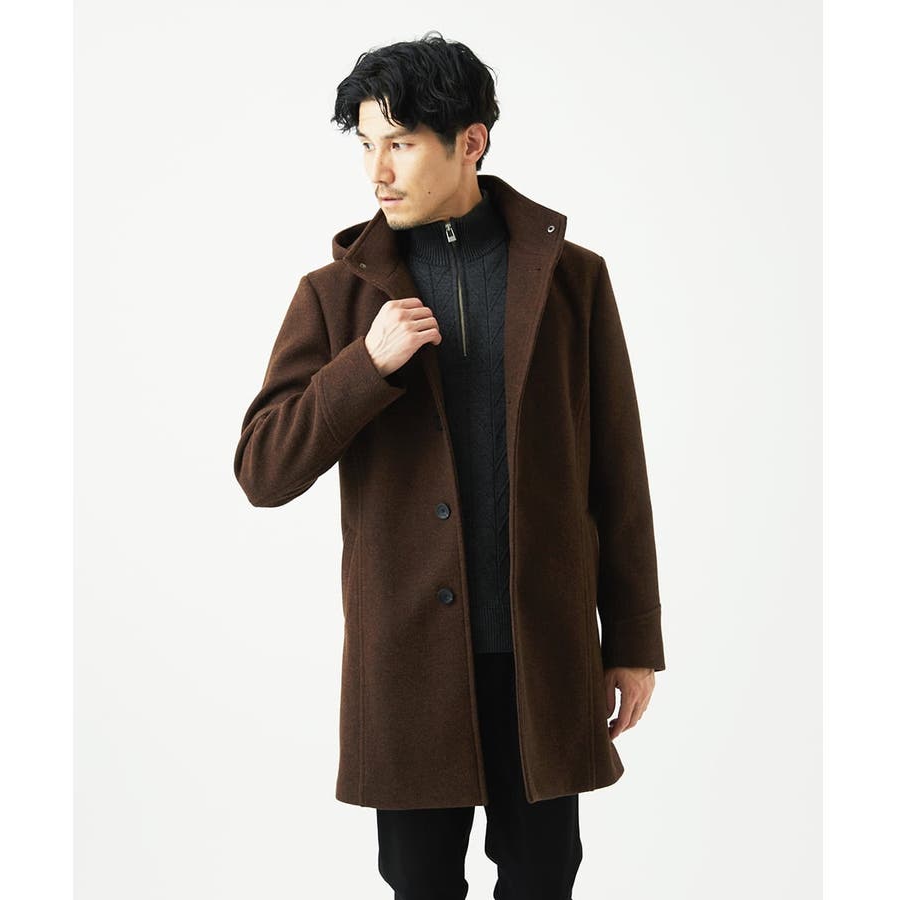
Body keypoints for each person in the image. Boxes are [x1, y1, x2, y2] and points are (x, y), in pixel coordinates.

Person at [234, 30, 666, 900]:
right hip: (409, 662)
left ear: (471, 141)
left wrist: (632, 642)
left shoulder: (573, 280)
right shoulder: (336, 295)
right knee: (420, 881)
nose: (377, 171)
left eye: (399, 143)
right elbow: (263, 469)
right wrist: (365, 365)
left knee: (545, 876)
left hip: (541, 653)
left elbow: (618, 474)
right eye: (366, 145)